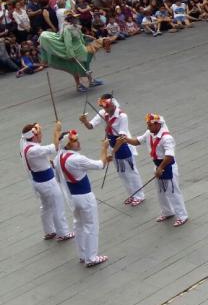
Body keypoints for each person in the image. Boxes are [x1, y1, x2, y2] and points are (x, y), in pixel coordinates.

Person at [122, 114, 189, 226]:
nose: (148, 127)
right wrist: (126, 140)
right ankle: (167, 211)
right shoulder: (149, 133)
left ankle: (182, 215)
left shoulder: (167, 138)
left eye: (150, 125)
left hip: (167, 166)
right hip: (158, 165)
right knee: (161, 192)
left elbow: (169, 156)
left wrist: (161, 168)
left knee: (172, 191)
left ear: (157, 124)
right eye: (147, 125)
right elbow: (138, 141)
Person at [79, 94, 145, 206]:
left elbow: (121, 138)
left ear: (112, 105)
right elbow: (90, 126)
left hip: (123, 145)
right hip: (111, 143)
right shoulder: (103, 113)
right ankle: (132, 194)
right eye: (103, 107)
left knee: (131, 172)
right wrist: (85, 121)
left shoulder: (122, 116)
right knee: (121, 172)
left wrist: (111, 153)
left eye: (107, 107)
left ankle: (139, 195)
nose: (105, 109)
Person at [57, 129, 111, 267]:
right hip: (85, 197)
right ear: (68, 145)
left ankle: (83, 254)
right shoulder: (77, 159)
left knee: (79, 226)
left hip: (73, 197)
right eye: (74, 141)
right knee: (91, 226)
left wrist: (104, 157)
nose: (78, 142)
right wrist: (104, 149)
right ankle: (91, 257)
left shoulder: (60, 156)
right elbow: (100, 165)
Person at [20, 121, 74, 242]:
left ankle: (49, 230)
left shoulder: (27, 146)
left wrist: (45, 161)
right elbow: (54, 147)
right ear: (34, 136)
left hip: (39, 182)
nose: (41, 135)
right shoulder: (33, 149)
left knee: (46, 207)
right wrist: (57, 131)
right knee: (57, 206)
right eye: (40, 133)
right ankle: (63, 232)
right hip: (47, 183)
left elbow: (41, 155)